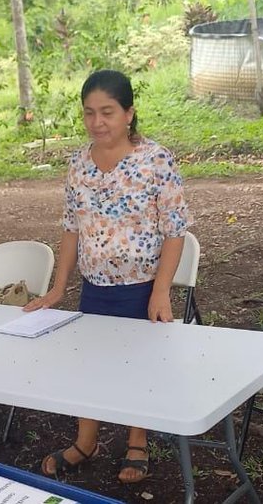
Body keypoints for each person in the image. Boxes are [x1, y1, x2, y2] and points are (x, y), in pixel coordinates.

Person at [25, 69, 190, 484]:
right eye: (89, 113)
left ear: (129, 113)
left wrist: (162, 292)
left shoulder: (156, 160)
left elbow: (175, 231)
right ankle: (86, 441)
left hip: (142, 290)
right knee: (90, 367)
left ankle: (137, 441)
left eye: (108, 112)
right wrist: (59, 288)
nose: (98, 122)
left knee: (138, 368)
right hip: (95, 289)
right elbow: (71, 227)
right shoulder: (78, 164)